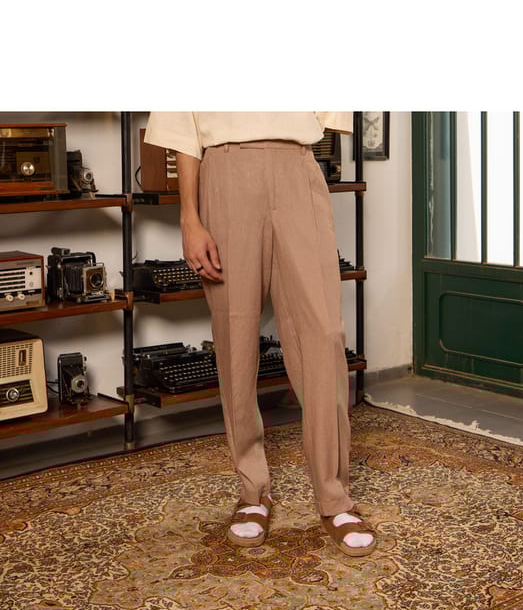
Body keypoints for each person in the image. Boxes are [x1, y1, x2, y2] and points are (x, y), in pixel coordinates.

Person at [144, 112, 377, 557]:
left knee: (323, 335)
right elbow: (183, 131)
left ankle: (335, 497)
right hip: (224, 171)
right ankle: (252, 492)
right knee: (235, 336)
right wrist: (189, 218)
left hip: (297, 167)